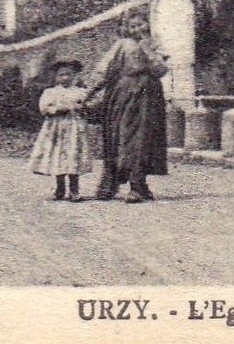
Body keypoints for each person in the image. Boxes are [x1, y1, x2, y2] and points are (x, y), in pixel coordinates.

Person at [86, 12, 169, 203]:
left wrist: (147, 50)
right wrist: (88, 93)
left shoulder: (154, 44)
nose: (137, 29)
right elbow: (103, 70)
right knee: (118, 137)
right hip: (122, 95)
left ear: (147, 24)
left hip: (148, 97)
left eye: (141, 24)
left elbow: (161, 70)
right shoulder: (121, 45)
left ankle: (138, 186)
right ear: (126, 29)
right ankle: (109, 184)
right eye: (132, 26)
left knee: (141, 139)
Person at [27, 59, 92, 202]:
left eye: (69, 74)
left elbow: (88, 107)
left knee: (73, 156)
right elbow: (44, 108)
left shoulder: (80, 92)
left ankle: (74, 190)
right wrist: (58, 109)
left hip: (74, 129)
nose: (65, 78)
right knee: (59, 156)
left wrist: (83, 108)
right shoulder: (51, 92)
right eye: (61, 75)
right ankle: (60, 188)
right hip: (57, 129)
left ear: (74, 76)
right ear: (56, 76)